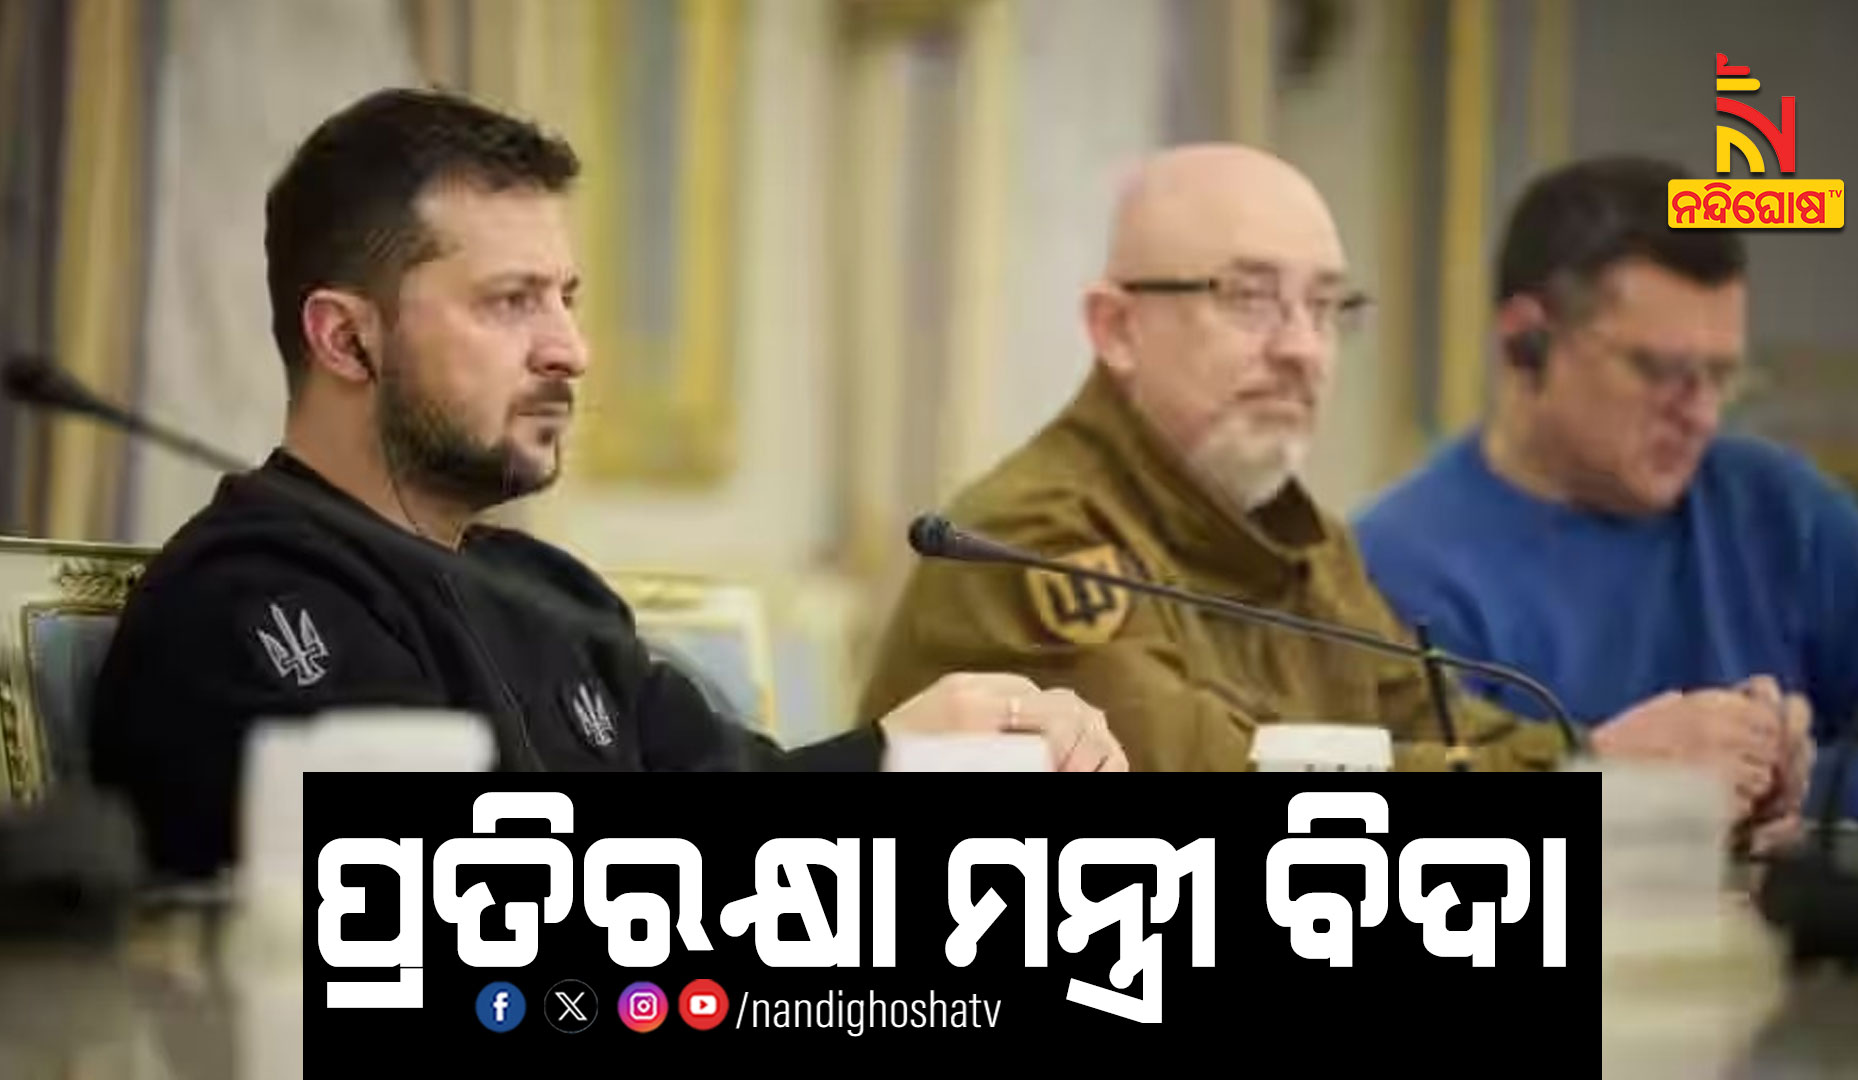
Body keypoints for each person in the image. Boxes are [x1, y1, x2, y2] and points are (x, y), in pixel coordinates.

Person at [87, 87, 1124, 884]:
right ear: (346, 338)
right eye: (511, 302)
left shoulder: (551, 591)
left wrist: (922, 749)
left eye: (566, 299)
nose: (570, 349)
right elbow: (479, 896)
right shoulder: (244, 601)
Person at [857, 143, 1810, 846]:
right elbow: (1205, 796)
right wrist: (1596, 782)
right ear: (1117, 328)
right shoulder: (1029, 536)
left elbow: (1443, 729)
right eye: (1249, 298)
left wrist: (1665, 770)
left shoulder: (1296, 538)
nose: (1303, 349)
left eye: (1325, 306)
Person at [1354, 154, 1858, 822]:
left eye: (1721, 376)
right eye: (1659, 371)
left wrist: (1797, 790)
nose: (1701, 414)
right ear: (1525, 343)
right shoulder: (1395, 570)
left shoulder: (1789, 515)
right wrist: (1625, 785)